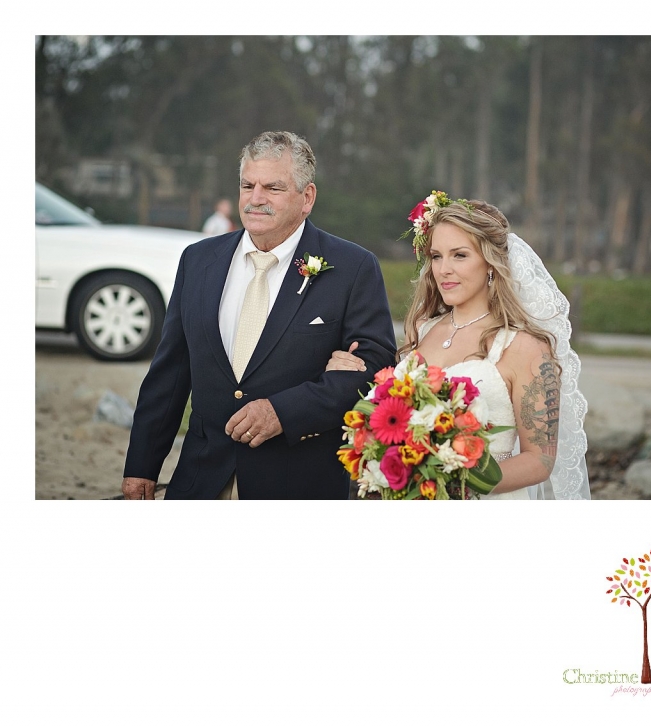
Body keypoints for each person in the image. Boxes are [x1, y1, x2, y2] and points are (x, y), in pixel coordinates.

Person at [122, 131, 396, 499]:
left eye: (273, 188)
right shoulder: (198, 261)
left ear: (307, 197)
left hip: (297, 484)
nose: (255, 199)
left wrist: (283, 412)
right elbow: (170, 373)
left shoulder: (353, 267)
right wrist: (141, 465)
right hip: (200, 480)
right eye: (247, 185)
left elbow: (374, 369)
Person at [327, 192, 590, 500]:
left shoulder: (524, 347)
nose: (444, 269)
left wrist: (451, 483)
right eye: (436, 256)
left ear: (491, 263)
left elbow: (540, 461)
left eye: (460, 255)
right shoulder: (424, 330)